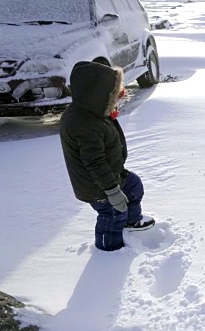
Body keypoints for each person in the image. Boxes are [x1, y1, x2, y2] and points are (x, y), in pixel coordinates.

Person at [59, 61, 154, 252]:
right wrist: (112, 191)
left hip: (111, 175)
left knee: (134, 186)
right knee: (112, 214)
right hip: (97, 186)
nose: (118, 98)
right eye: (113, 94)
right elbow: (95, 163)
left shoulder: (95, 113)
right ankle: (108, 251)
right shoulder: (84, 124)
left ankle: (131, 221)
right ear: (97, 93)